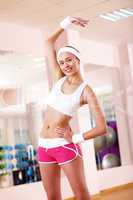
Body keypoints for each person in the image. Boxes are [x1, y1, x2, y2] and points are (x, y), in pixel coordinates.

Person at [37, 16, 107, 200]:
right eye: (61, 62)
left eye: (69, 60)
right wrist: (65, 24)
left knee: (81, 194)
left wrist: (74, 138)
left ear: (78, 60)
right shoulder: (58, 79)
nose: (65, 65)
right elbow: (47, 42)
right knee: (52, 196)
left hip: (64, 146)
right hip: (43, 146)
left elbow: (102, 127)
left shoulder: (86, 91)